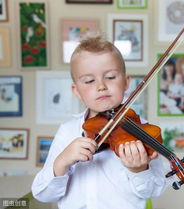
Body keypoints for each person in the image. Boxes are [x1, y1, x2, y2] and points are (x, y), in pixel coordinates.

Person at [31, 34, 167, 209]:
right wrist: (61, 162)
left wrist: (139, 170)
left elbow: (154, 191)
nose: (101, 86)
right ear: (77, 91)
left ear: (126, 83)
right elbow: (42, 194)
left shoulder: (142, 131)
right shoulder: (67, 131)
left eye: (110, 77)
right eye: (89, 81)